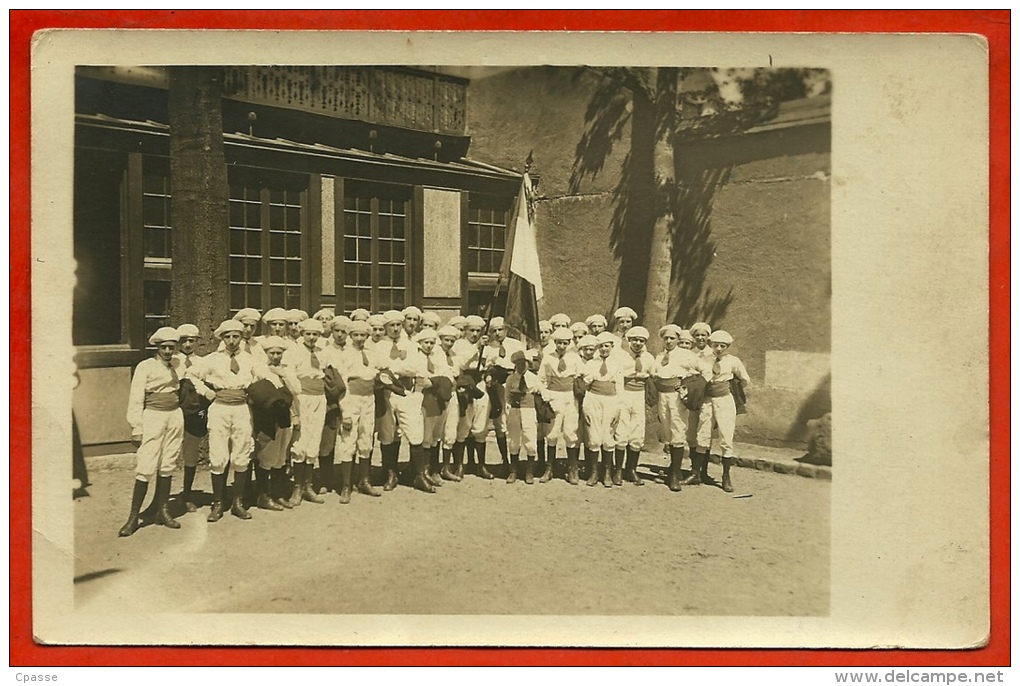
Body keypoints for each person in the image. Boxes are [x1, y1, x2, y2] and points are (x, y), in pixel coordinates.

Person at [186, 319, 257, 522]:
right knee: (218, 454)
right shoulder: (212, 359)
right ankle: (218, 503)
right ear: (222, 338)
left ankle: (238, 503)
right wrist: (206, 391)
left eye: (236, 336)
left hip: (242, 408)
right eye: (228, 337)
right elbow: (190, 375)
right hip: (220, 409)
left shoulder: (250, 360)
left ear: (242, 337)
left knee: (242, 453)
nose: (232, 341)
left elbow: (264, 375)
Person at [120, 326, 186, 537]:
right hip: (153, 416)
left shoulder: (179, 363)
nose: (168, 351)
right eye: (164, 347)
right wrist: (136, 428)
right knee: (147, 464)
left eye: (172, 347)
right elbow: (136, 398)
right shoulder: (145, 367)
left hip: (175, 415)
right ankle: (133, 517)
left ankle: (162, 510)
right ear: (156, 347)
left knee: (168, 463)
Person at [376, 310, 433, 493]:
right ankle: (391, 473)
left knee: (415, 432)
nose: (395, 329)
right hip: (386, 394)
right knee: (388, 433)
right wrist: (397, 368)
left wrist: (393, 368)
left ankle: (419, 475)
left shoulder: (410, 345)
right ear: (385, 327)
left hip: (406, 392)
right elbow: (377, 367)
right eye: (391, 325)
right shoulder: (377, 346)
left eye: (398, 325)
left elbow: (416, 367)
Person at [653, 324, 711, 492]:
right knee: (667, 432)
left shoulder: (686, 355)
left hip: (677, 397)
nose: (669, 341)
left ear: (678, 339)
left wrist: (693, 389)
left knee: (678, 430)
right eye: (666, 338)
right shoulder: (659, 356)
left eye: (672, 338)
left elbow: (706, 371)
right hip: (662, 396)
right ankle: (673, 469)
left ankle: (674, 476)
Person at [332, 320, 383, 503]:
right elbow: (342, 383)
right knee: (348, 438)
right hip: (351, 398)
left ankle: (364, 480)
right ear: (350, 336)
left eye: (363, 335)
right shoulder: (344, 355)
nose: (360, 339)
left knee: (366, 437)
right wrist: (345, 411)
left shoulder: (372, 354)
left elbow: (381, 372)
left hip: (369, 398)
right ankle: (346, 485)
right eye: (356, 335)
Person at [250, 336, 302, 510]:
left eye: (279, 353)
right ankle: (263, 495)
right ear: (266, 353)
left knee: (281, 455)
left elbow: (296, 390)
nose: (275, 357)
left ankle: (278, 493)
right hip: (268, 416)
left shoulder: (287, 370)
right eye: (272, 353)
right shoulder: (259, 369)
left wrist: (284, 375)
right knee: (267, 454)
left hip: (285, 415)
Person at [281, 318, 329, 506]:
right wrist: (295, 405)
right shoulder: (293, 352)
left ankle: (308, 486)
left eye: (315, 334)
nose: (311, 338)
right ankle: (297, 487)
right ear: (302, 334)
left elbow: (327, 374)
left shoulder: (322, 353)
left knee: (314, 440)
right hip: (302, 397)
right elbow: (290, 378)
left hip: (319, 398)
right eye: (308, 334)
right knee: (300, 442)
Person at [696, 330, 750, 493]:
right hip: (707, 400)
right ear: (710, 345)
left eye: (722, 346)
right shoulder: (702, 359)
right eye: (715, 345)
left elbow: (745, 379)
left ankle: (726, 477)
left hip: (725, 400)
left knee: (726, 437)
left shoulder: (733, 361)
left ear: (728, 346)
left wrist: (729, 388)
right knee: (702, 435)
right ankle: (699, 473)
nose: (718, 349)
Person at [537, 327, 584, 484]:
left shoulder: (575, 358)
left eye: (565, 343)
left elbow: (580, 376)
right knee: (552, 433)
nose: (562, 346)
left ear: (569, 343)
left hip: (570, 397)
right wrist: (546, 394)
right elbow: (541, 379)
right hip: (553, 396)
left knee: (570, 432)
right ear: (554, 342)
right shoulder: (548, 358)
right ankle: (549, 468)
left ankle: (572, 469)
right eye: (559, 343)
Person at [581, 331, 625, 488]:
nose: (604, 349)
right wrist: (586, 407)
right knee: (593, 437)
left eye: (607, 346)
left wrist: (618, 409)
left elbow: (620, 387)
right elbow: (586, 387)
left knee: (608, 437)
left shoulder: (617, 364)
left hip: (611, 400)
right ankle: (594, 472)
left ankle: (607, 472)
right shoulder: (591, 364)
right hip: (593, 399)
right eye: (601, 346)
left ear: (612, 346)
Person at [452, 315, 492, 479]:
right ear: (466, 330)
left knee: (480, 425)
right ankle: (459, 465)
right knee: (463, 424)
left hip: (480, 384)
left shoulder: (486, 346)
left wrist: (489, 374)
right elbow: (460, 363)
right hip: (465, 383)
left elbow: (490, 364)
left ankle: (480, 465)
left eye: (478, 330)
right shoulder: (458, 345)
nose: (475, 334)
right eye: (472, 330)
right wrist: (476, 348)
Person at [173, 323, 208, 512]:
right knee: (168, 452)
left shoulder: (202, 362)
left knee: (191, 453)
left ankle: (186, 494)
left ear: (196, 342)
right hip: (173, 411)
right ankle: (161, 497)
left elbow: (206, 388)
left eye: (191, 341)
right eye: (183, 341)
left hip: (194, 412)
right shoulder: (173, 361)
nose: (187, 345)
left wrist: (202, 412)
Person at [482, 316, 525, 467]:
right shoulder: (488, 348)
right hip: (496, 386)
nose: (498, 333)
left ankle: (515, 460)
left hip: (513, 385)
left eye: (500, 329)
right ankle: (504, 460)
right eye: (494, 331)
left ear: (506, 329)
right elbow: (486, 367)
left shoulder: (516, 344)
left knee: (513, 420)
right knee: (500, 421)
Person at [615, 326, 654, 486]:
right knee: (621, 430)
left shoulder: (649, 358)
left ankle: (631, 469)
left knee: (637, 432)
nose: (638, 343)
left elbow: (653, 376)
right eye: (635, 340)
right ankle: (618, 470)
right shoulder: (620, 356)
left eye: (641, 341)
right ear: (629, 340)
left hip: (639, 395)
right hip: (624, 393)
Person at [416, 327, 454, 487]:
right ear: (420, 343)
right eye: (426, 343)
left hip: (439, 397)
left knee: (437, 433)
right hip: (423, 398)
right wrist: (435, 381)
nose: (429, 346)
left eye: (432, 343)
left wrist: (435, 381)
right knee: (426, 433)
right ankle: (422, 470)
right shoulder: (416, 356)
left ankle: (434, 469)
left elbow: (448, 376)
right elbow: (420, 378)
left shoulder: (438, 356)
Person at [504, 350, 546, 484]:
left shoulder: (533, 378)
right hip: (515, 410)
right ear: (515, 364)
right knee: (514, 440)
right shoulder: (511, 379)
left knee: (530, 438)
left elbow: (543, 393)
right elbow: (507, 397)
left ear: (528, 364)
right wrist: (508, 409)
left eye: (524, 363)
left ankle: (529, 471)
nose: (522, 366)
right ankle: (513, 471)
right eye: (519, 363)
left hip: (529, 410)